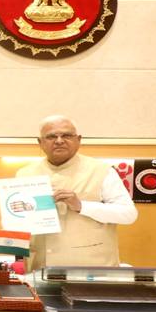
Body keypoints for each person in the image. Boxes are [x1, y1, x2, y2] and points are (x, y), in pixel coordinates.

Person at [17, 115, 138, 270]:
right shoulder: (25, 174)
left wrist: (82, 206)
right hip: (40, 269)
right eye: (51, 136)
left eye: (66, 135)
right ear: (40, 142)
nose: (59, 141)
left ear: (78, 140)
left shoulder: (101, 170)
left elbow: (129, 214)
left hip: (92, 270)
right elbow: (17, 220)